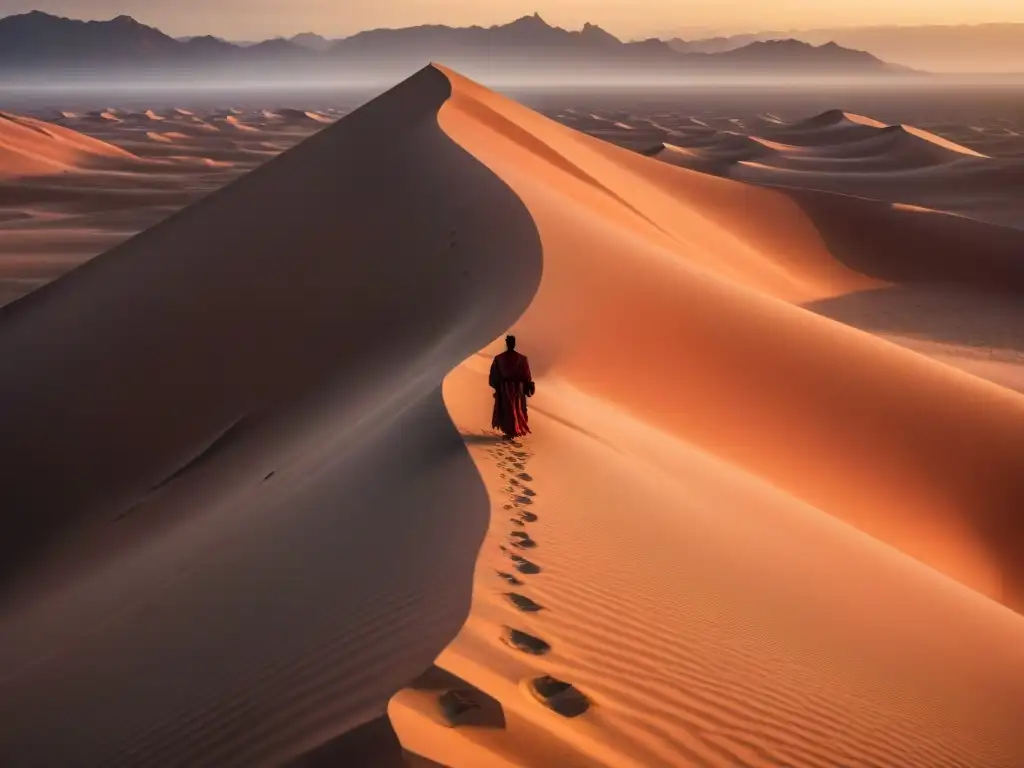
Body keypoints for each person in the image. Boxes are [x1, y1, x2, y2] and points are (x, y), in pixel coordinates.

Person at [489, 335, 535, 439]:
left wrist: (497, 386)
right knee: (514, 409)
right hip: (517, 389)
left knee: (509, 410)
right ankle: (511, 432)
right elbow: (526, 376)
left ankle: (511, 432)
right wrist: (527, 385)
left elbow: (494, 375)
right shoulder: (521, 359)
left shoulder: (499, 358)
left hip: (506, 389)